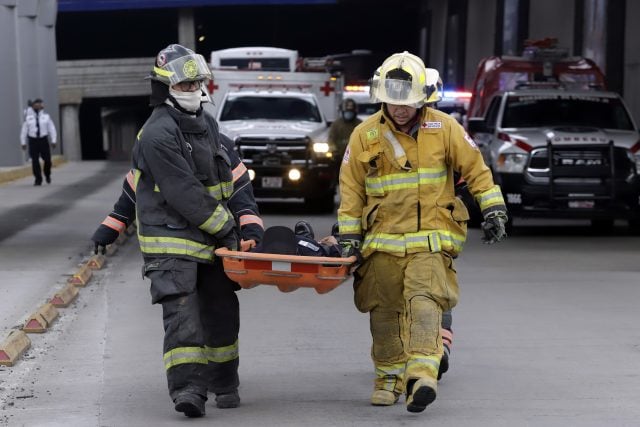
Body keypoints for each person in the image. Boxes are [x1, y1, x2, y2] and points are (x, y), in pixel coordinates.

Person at [337, 51, 507, 413]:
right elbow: (350, 190)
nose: (400, 110)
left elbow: (476, 170)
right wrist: (349, 237)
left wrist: (493, 207)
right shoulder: (363, 135)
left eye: (408, 103)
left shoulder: (444, 128)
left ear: (423, 98)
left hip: (431, 240)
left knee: (425, 303)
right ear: (381, 97)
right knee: (383, 313)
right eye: (393, 102)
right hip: (381, 244)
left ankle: (421, 376)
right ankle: (387, 378)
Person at [108, 43, 264, 418]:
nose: (193, 92)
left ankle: (225, 382)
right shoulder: (157, 133)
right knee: (183, 318)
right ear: (165, 88)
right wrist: (229, 229)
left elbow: (228, 179)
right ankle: (189, 390)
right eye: (185, 86)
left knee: (222, 311)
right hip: (171, 242)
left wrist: (247, 224)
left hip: (210, 242)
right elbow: (185, 194)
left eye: (197, 85)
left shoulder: (207, 123)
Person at [20, 98, 57, 186]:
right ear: (33, 106)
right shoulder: (28, 118)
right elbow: (24, 130)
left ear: (42, 106)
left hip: (43, 140)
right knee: (35, 161)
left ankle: (47, 174)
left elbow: (52, 129)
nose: (37, 105)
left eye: (39, 103)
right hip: (33, 141)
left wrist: (54, 140)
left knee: (47, 160)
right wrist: (23, 142)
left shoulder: (46, 117)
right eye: (36, 103)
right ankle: (38, 179)